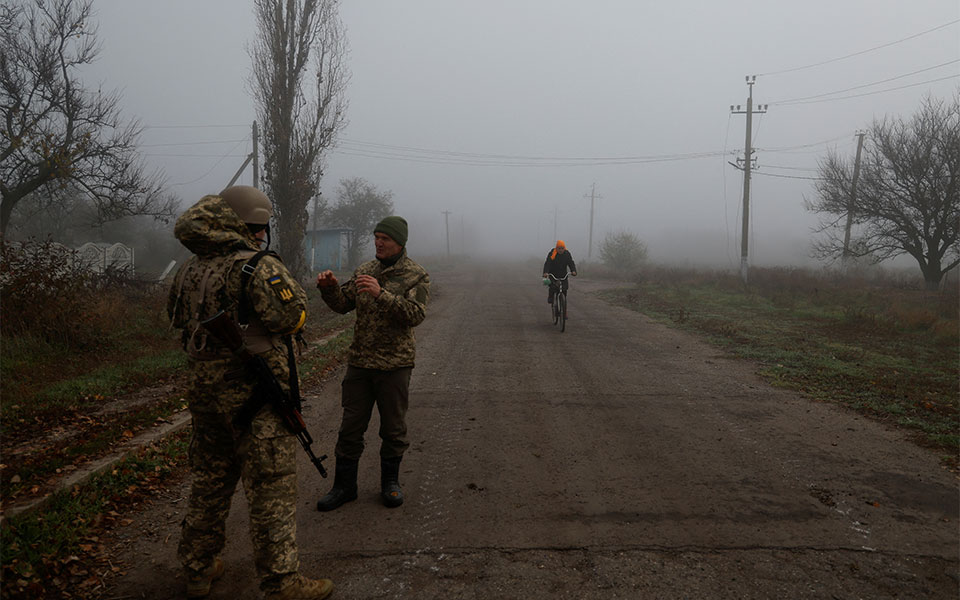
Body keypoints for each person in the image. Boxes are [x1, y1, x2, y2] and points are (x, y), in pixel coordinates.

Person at [167, 186, 334, 600]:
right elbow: (292, 315)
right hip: (255, 396)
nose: (262, 234)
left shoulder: (190, 267)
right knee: (271, 487)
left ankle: (197, 568)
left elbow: (177, 318)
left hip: (204, 393)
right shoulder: (256, 267)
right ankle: (282, 583)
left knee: (209, 479)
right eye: (261, 227)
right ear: (254, 226)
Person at [314, 216, 430, 512]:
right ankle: (344, 486)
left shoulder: (416, 275)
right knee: (350, 427)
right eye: (376, 237)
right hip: (361, 363)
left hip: (395, 365)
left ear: (399, 243)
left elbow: (415, 314)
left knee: (393, 429)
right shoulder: (365, 270)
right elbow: (343, 305)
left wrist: (383, 295)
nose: (378, 242)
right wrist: (328, 289)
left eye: (385, 238)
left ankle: (390, 483)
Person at [542, 239, 577, 307]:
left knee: (564, 290)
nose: (560, 250)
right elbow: (547, 263)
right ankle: (551, 297)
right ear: (556, 248)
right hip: (553, 274)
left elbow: (571, 263)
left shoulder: (567, 254)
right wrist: (545, 272)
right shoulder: (552, 253)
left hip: (563, 274)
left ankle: (564, 311)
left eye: (562, 248)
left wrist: (573, 271)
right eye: (559, 248)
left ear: (564, 248)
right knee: (552, 287)